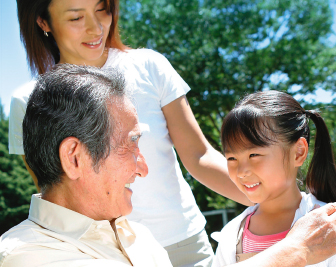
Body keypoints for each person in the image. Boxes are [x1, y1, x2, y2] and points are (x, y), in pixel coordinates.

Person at [0, 64, 336, 267]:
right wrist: (294, 250)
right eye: (130, 145)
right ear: (75, 158)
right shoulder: (25, 257)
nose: (144, 169)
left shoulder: (140, 238)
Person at [9, 0, 252, 265]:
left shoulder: (149, 66)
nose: (95, 28)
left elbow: (199, 155)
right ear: (43, 22)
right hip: (101, 254)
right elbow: (55, 197)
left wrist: (277, 198)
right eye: (76, 18)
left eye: (102, 9)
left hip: (183, 242)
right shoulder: (29, 102)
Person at [212, 91, 336, 266]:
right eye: (231, 158)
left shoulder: (327, 224)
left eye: (254, 154)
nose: (241, 171)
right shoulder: (231, 235)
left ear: (298, 152)